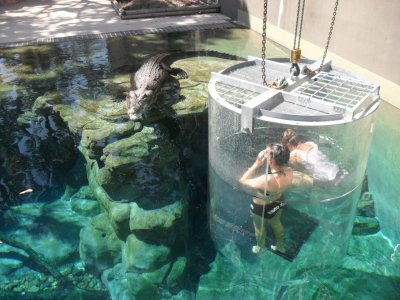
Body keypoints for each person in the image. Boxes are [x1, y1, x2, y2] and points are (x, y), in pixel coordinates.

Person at [239, 143, 293, 254]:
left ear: (271, 161)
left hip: (260, 207)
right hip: (278, 201)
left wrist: (256, 164)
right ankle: (280, 246)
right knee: (276, 223)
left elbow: (242, 181)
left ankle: (260, 247)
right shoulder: (289, 171)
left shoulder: (266, 180)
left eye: (266, 153)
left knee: (259, 228)